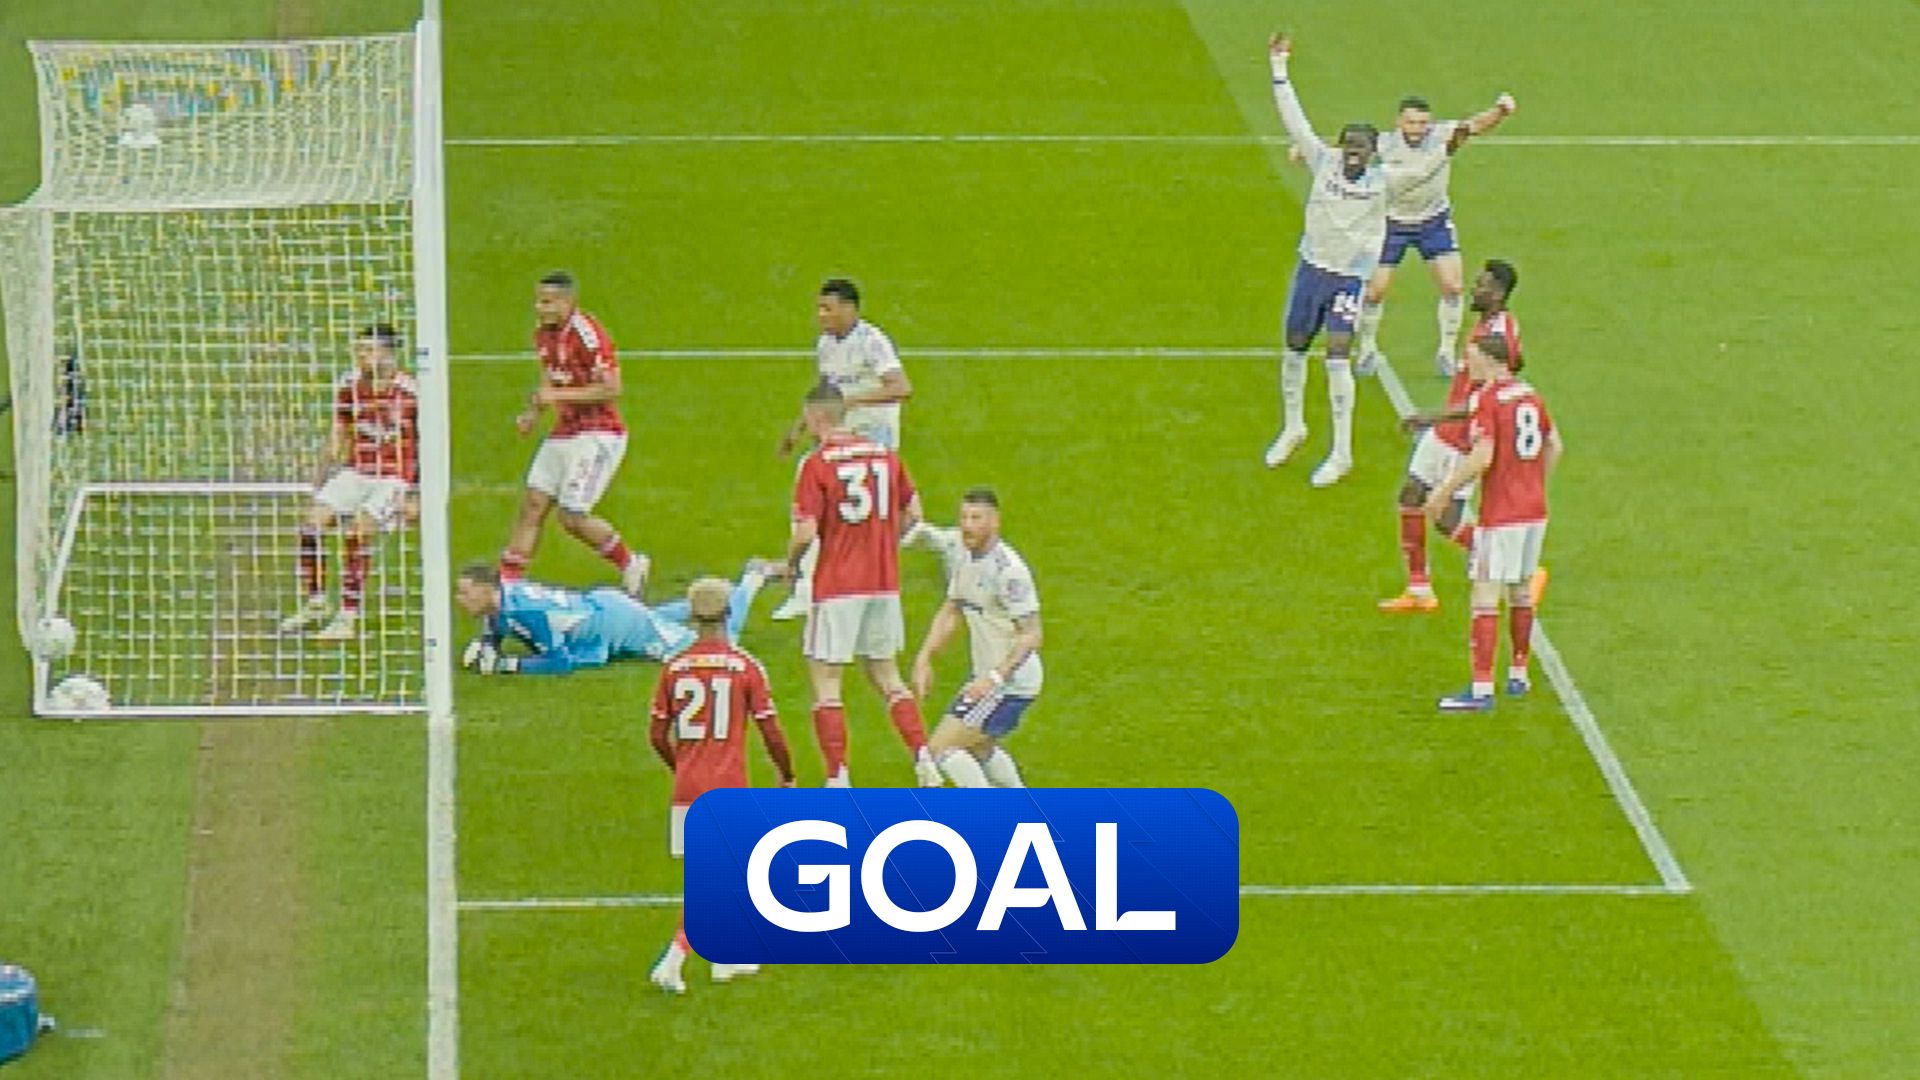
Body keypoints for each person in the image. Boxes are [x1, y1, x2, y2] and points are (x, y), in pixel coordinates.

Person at [1262, 32, 1453, 488]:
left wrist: (1451, 144)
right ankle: (1293, 427)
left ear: (1372, 153)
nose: (1351, 152)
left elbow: (1423, 169)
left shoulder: (1384, 181)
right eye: (1347, 144)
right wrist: (1279, 67)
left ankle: (1341, 452)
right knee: (1293, 346)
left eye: (1359, 147)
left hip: (1347, 280)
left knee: (1337, 356)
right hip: (1310, 270)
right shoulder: (1322, 161)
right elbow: (1294, 119)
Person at [646, 577, 795, 994]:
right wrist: (786, 773)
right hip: (727, 786)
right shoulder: (746, 667)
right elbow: (771, 732)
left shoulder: (673, 668)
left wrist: (680, 765)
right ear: (728, 615)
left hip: (686, 786)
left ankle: (726, 960)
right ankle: (674, 959)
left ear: (692, 618)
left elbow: (656, 734)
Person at [787, 381, 939, 787]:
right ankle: (924, 758)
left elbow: (805, 532)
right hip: (883, 583)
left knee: (827, 681)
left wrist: (790, 566)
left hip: (837, 585)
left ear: (816, 417)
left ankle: (837, 777)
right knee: (887, 675)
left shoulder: (816, 464)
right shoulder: (885, 455)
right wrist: (884, 543)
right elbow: (914, 513)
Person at [1380, 260, 1530, 611]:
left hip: (1465, 439)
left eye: (1482, 286)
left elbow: (1487, 397)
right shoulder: (1488, 325)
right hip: (1445, 433)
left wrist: (1431, 416)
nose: (1474, 291)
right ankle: (1419, 588)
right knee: (1411, 496)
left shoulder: (1498, 335)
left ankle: (1521, 569)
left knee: (1447, 521)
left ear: (1498, 294)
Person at [1426, 332, 1561, 711]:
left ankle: (1481, 689)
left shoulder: (1488, 399)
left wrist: (1444, 491)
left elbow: (1483, 457)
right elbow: (1554, 444)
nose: (1467, 365)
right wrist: (1533, 482)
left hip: (1502, 514)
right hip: (1534, 511)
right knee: (1520, 591)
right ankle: (1518, 673)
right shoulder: (1530, 394)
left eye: (1472, 358)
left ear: (1490, 359)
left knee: (1485, 595)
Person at [496, 271, 649, 596]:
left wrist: (557, 397)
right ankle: (507, 588)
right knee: (533, 505)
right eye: (538, 301)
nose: (540, 308)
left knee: (572, 517)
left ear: (567, 302)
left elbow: (611, 388)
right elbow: (550, 378)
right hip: (564, 430)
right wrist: (533, 415)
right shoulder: (543, 334)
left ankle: (630, 563)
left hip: (598, 434)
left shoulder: (588, 336)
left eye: (548, 302)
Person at [772, 278, 913, 620]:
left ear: (850, 309)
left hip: (875, 437)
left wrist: (852, 401)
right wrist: (798, 429)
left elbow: (901, 387)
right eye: (819, 308)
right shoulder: (825, 344)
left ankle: (810, 584)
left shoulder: (872, 342)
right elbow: (825, 394)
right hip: (842, 434)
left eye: (828, 308)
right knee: (834, 506)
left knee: (843, 509)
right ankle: (808, 587)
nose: (821, 315)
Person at [1355, 92, 1517, 379]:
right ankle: (1367, 349)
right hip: (1391, 223)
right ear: (1399, 122)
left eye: (1422, 123)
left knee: (1453, 286)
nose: (1417, 129)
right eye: (1411, 123)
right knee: (1374, 290)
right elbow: (1349, 151)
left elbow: (1475, 126)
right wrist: (1306, 151)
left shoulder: (1441, 135)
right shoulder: (1384, 143)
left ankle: (1446, 352)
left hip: (1433, 221)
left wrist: (1500, 111)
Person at [280, 324, 419, 642]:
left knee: (358, 532)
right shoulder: (349, 386)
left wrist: (415, 494)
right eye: (359, 349)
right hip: (357, 471)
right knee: (311, 526)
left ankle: (347, 615)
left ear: (387, 353)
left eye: (368, 350)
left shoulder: (411, 392)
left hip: (393, 478)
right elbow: (339, 434)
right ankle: (316, 603)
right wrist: (319, 479)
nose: (360, 356)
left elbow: (428, 443)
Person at [910, 489, 1042, 788]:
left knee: (941, 749)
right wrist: (924, 658)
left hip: (1009, 683)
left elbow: (1032, 635)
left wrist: (994, 678)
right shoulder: (963, 556)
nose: (967, 525)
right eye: (964, 517)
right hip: (987, 677)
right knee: (978, 747)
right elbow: (952, 608)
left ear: (994, 521)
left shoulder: (1008, 572)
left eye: (976, 518)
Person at [454, 561, 770, 675]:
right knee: (653, 619)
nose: (459, 600)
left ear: (486, 590)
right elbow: (497, 625)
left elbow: (560, 662)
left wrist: (508, 665)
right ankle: (703, 600)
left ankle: (751, 580)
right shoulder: (505, 597)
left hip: (618, 624)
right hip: (604, 609)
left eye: (466, 592)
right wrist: (487, 644)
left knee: (721, 644)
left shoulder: (525, 613)